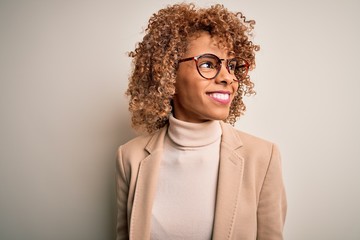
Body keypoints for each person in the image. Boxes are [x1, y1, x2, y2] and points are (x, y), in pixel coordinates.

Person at [116, 3, 287, 240]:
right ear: (168, 74)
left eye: (232, 66)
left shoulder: (262, 157)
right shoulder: (130, 157)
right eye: (208, 64)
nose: (228, 77)